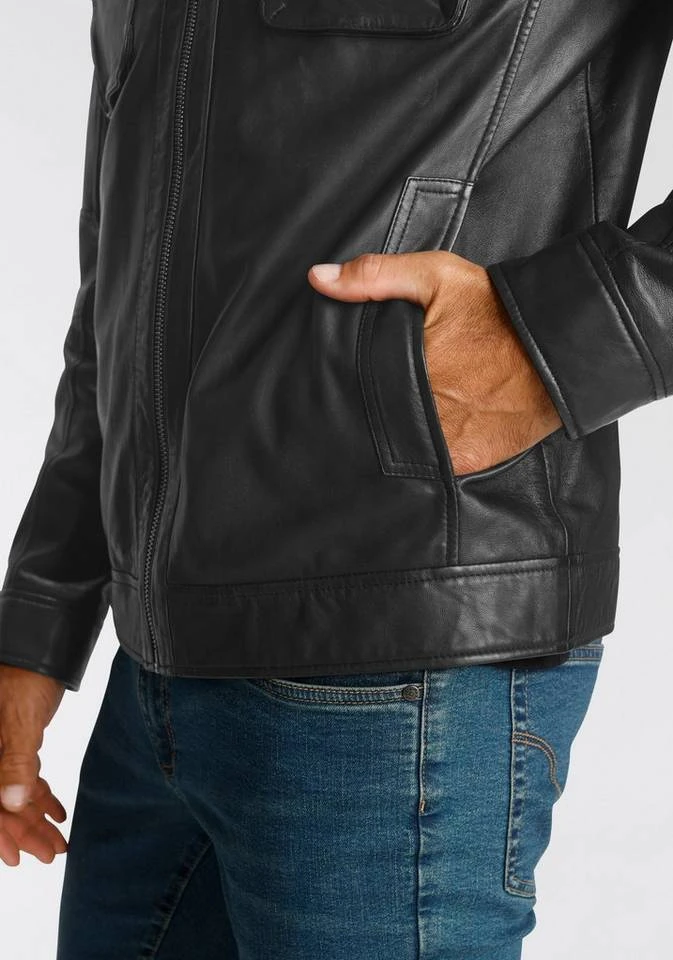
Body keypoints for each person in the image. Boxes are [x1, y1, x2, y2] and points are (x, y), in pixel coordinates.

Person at [0, 0, 671, 955]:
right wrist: (38, 620)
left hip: (402, 662)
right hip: (152, 679)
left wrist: (555, 341)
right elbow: (123, 279)